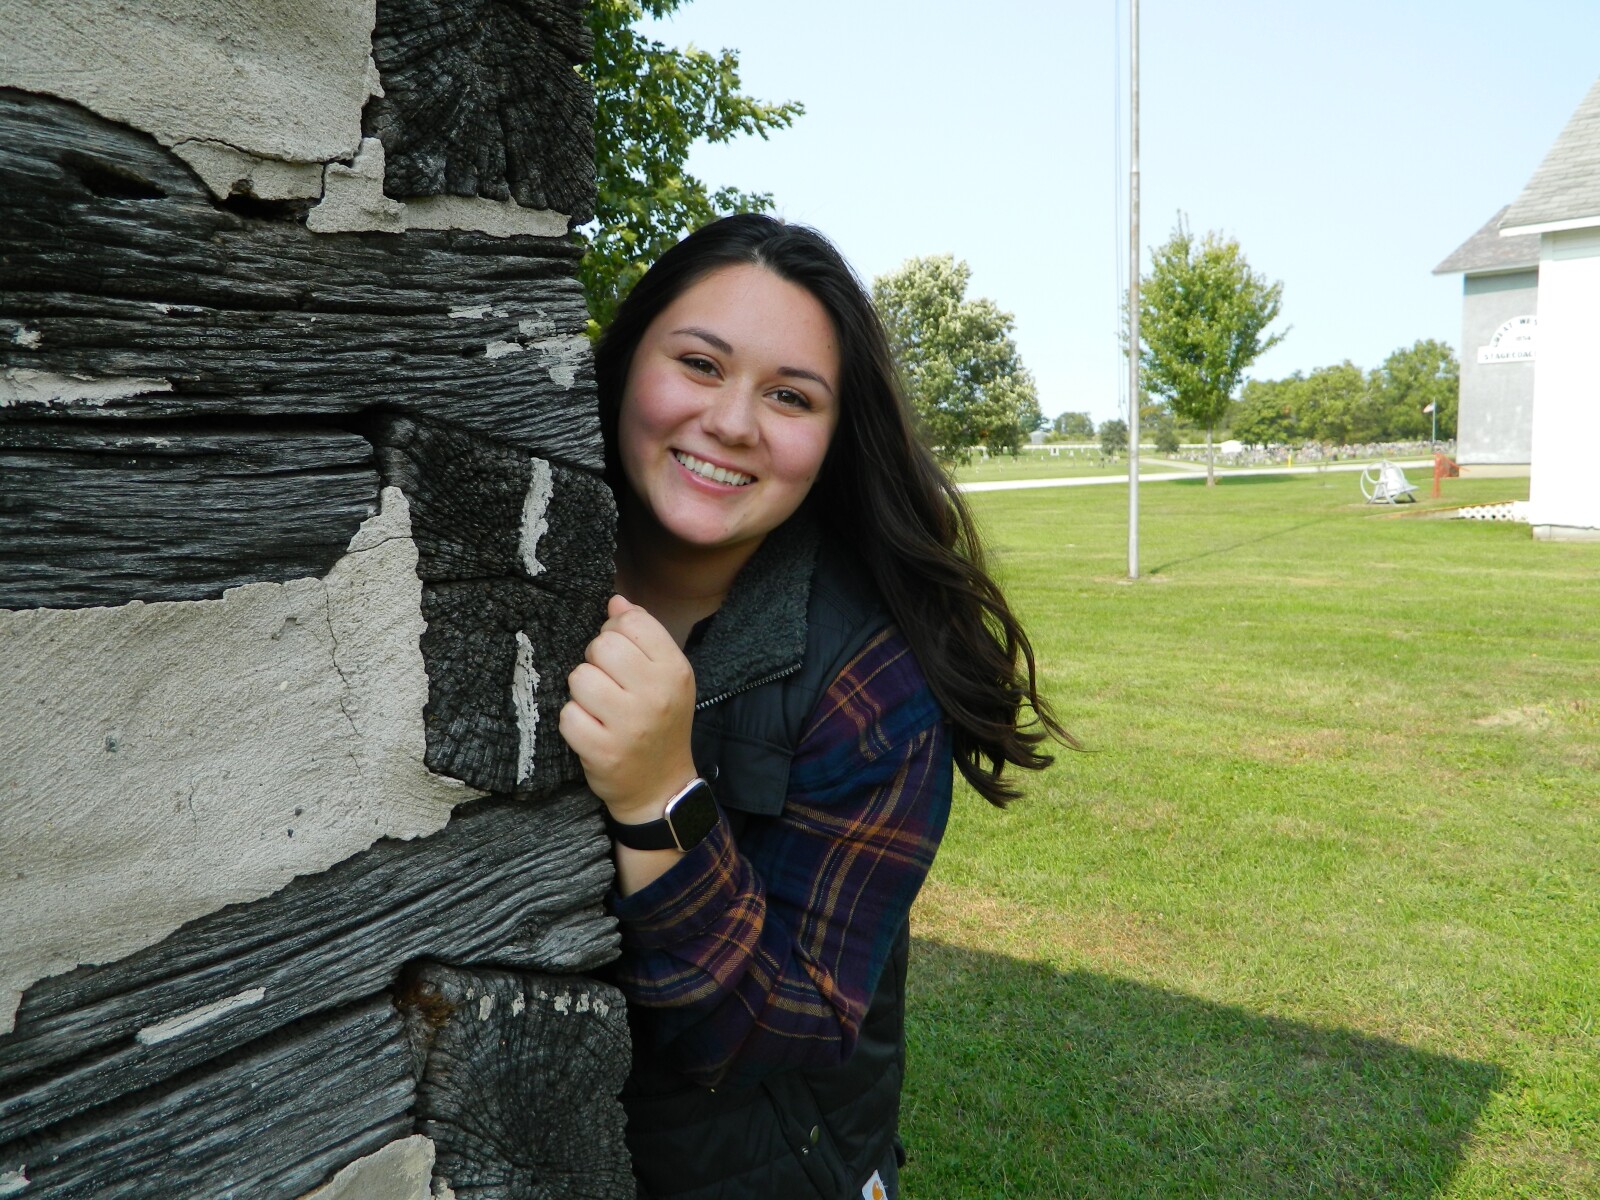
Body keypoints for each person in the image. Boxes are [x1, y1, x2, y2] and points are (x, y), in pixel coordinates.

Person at [559, 214, 1068, 1200]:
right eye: (700, 364)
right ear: (623, 366)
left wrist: (661, 797)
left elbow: (784, 1026)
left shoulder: (874, 684)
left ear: (834, 440)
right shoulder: (516, 558)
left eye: (789, 395)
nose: (733, 422)